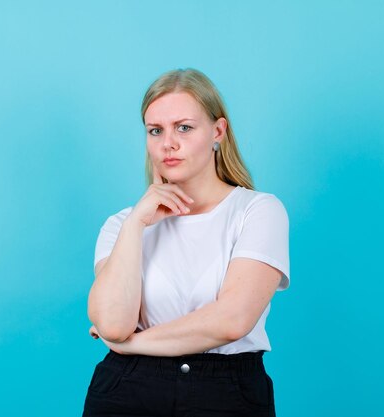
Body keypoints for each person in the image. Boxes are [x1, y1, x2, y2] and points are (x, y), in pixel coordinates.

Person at [83, 68, 290, 417]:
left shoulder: (257, 211)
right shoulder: (121, 225)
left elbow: (233, 320)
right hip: (127, 389)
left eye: (184, 127)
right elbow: (113, 323)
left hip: (226, 391)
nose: (168, 143)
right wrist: (136, 224)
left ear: (218, 132)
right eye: (155, 130)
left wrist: (130, 343)